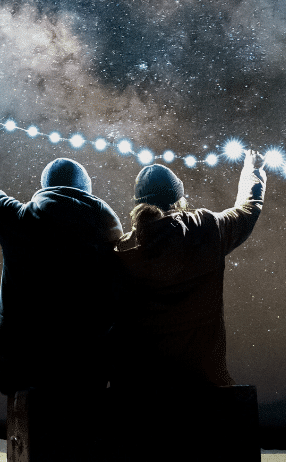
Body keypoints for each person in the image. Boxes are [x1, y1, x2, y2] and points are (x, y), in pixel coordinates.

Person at [0, 119, 123, 395]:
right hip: (87, 368)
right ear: (87, 190)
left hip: (22, 366)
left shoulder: (20, 221)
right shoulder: (110, 235)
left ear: (47, 187)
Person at [112, 149, 266, 388]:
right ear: (178, 199)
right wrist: (252, 170)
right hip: (202, 381)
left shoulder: (121, 251)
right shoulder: (206, 229)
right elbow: (248, 210)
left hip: (142, 386)